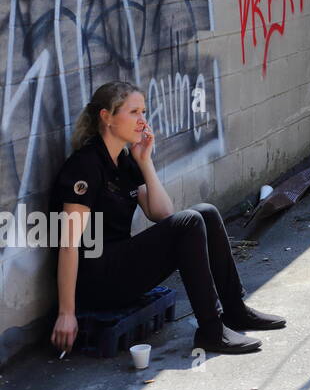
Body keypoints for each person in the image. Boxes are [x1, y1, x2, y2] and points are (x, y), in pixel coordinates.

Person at [49, 80, 286, 355]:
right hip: (96, 283)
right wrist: (67, 312)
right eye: (134, 112)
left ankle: (235, 311)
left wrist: (145, 162)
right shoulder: (86, 165)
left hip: (119, 268)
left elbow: (162, 213)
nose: (143, 120)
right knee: (189, 221)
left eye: (144, 112)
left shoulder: (123, 162)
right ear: (107, 117)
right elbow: (68, 244)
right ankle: (211, 330)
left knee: (204, 213)